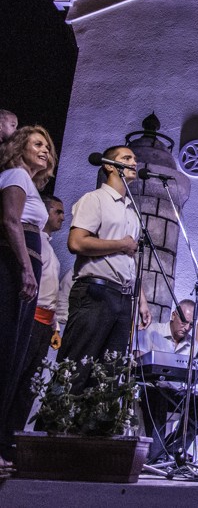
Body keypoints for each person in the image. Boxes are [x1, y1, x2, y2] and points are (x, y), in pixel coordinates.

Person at [57, 144, 152, 395]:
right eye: (127, 157)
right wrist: (121, 244)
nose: (134, 162)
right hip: (95, 291)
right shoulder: (95, 199)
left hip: (122, 297)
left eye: (134, 158)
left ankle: (94, 430)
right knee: (75, 368)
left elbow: (130, 260)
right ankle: (55, 429)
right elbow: (76, 242)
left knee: (108, 375)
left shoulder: (132, 211)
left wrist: (141, 300)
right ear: (110, 165)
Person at [0, 126, 55, 467]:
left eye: (48, 146)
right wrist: (24, 268)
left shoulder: (29, 183)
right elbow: (9, 219)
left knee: (14, 359)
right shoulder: (16, 175)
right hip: (11, 270)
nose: (45, 150)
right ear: (20, 146)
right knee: (6, 352)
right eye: (37, 144)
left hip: (23, 274)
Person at [9, 194, 64, 436]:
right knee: (16, 378)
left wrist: (54, 324)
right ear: (44, 212)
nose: (62, 217)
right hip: (29, 319)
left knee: (30, 385)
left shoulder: (49, 246)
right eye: (58, 212)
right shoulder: (35, 243)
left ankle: (12, 438)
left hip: (44, 324)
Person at [136, 300, 198, 463]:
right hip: (151, 391)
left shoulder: (193, 346)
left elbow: (193, 376)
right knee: (158, 396)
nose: (187, 327)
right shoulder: (152, 331)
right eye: (184, 321)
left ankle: (171, 450)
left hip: (177, 394)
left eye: (191, 324)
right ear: (173, 315)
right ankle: (157, 456)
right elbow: (138, 364)